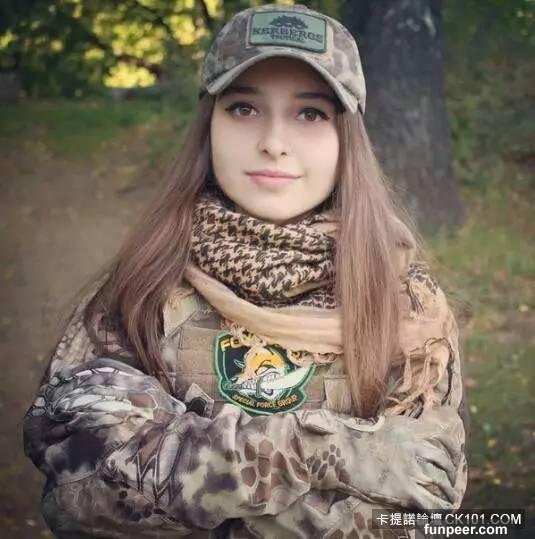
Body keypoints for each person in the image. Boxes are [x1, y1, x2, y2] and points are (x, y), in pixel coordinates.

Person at [23, 3, 468, 538]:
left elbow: (426, 506)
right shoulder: (139, 291)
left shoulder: (407, 307)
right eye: (243, 108)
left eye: (310, 114)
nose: (274, 142)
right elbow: (88, 491)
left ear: (346, 138)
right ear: (209, 124)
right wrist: (327, 452)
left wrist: (190, 469)